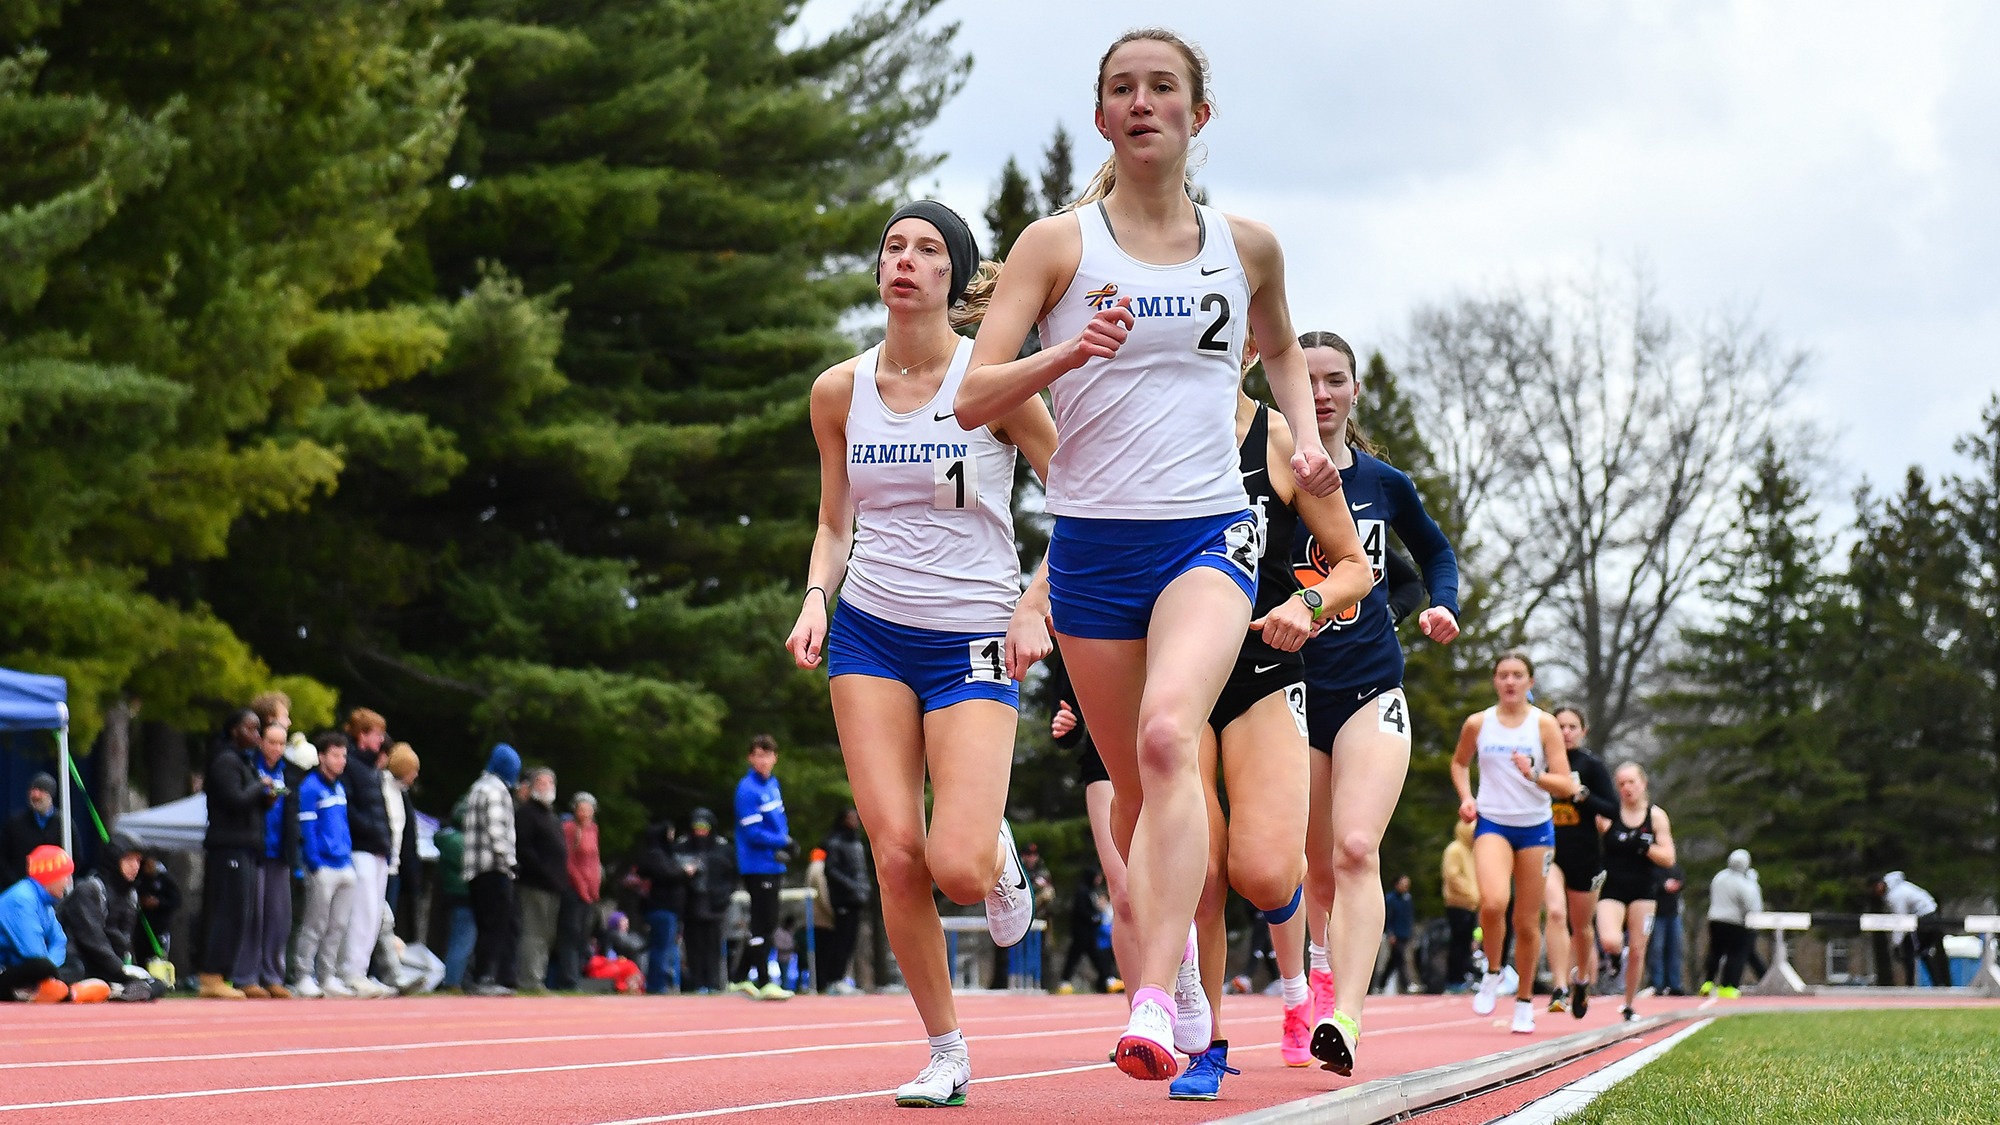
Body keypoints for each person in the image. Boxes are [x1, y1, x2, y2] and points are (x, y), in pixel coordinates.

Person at [956, 30, 1344, 1084]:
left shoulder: (1246, 245)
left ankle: (1149, 999)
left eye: (1159, 88)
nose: (1140, 103)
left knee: (1171, 735)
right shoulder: (1056, 247)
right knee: (1134, 787)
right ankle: (1176, 977)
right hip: (1090, 542)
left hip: (1205, 533)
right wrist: (1065, 350)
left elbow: (1275, 346)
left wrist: (1303, 437)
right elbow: (975, 395)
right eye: (1120, 89)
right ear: (1101, 117)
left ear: (1195, 117)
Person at [783, 200, 1056, 1104]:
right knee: (894, 851)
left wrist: (1036, 599)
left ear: (954, 275)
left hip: (973, 633)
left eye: (928, 249)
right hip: (869, 628)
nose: (906, 258)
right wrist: (817, 597)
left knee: (956, 865)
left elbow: (1085, 497)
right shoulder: (837, 390)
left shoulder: (995, 381)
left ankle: (997, 856)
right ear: (879, 270)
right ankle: (946, 1048)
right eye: (893, 245)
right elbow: (833, 522)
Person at [1175, 340, 1374, 1098]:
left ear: (1250, 346)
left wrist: (1307, 602)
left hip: (1262, 669)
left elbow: (1353, 563)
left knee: (1262, 869)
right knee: (1198, 867)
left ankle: (1304, 978)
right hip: (1181, 670)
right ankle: (1206, 1040)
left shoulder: (1281, 438)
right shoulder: (1149, 431)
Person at [1283, 330, 1461, 1078]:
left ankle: (1345, 1017)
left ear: (1354, 391)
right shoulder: (1267, 472)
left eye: (1334, 379)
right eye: (1307, 378)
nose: (1320, 392)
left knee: (1357, 848)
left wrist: (1440, 605)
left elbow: (1438, 553)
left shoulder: (1386, 483)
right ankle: (1319, 970)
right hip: (1288, 693)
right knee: (1312, 867)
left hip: (1369, 688)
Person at [1452, 653, 1576, 1035]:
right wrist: (1466, 796)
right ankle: (1493, 970)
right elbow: (1459, 763)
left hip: (1535, 828)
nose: (1510, 682)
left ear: (1530, 682)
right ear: (1495, 681)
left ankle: (1524, 1000)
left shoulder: (1544, 725)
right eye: (1503, 675)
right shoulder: (1479, 723)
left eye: (1517, 675)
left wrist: (1534, 773)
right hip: (1492, 822)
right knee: (1491, 903)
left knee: (1526, 920)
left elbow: (1567, 784)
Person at [1542, 705, 1617, 1019]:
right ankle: (1559, 987)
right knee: (1556, 913)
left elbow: (1612, 809)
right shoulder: (1543, 763)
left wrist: (1582, 795)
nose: (1565, 732)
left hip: (1584, 854)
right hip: (1548, 850)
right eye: (1559, 726)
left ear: (1582, 731)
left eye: (1572, 726)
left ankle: (1582, 980)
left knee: (1582, 927)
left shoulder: (1591, 765)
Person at [1596, 762, 1675, 1022]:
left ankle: (1629, 1003)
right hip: (1614, 888)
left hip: (1644, 890)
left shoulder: (1656, 816)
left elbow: (1668, 858)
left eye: (1631, 782)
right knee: (1610, 939)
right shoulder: (1609, 813)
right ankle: (1615, 956)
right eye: (1621, 783)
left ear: (1643, 784)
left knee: (1639, 949)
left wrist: (1646, 847)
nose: (1626, 788)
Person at [198, 708, 268, 1000]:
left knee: (242, 913)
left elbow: (250, 802)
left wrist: (267, 797)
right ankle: (212, 975)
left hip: (245, 844)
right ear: (234, 730)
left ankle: (227, 973)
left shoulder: (244, 762)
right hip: (229, 846)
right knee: (228, 911)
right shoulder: (225, 760)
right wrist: (259, 786)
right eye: (250, 729)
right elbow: (234, 799)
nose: (257, 735)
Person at [720, 735, 792, 1001]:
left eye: (768, 755)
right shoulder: (747, 789)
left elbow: (777, 822)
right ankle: (763, 980)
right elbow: (752, 832)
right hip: (756, 864)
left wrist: (784, 846)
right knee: (764, 922)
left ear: (775, 757)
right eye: (758, 755)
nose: (763, 760)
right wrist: (782, 841)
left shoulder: (772, 784)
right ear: (750, 758)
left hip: (772, 863)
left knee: (767, 921)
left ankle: (739, 977)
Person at [235, 721, 302, 998]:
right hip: (254, 849)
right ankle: (246, 975)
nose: (276, 748)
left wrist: (295, 858)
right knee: (254, 915)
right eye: (272, 741)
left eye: (281, 743)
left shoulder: (290, 772)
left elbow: (294, 817)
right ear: (262, 741)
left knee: (278, 917)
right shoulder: (250, 766)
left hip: (280, 852)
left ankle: (273, 975)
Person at [57, 833, 160, 1000]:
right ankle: (101, 988)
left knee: (157, 984)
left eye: (138, 861)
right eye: (129, 860)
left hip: (109, 964)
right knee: (77, 971)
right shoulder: (90, 889)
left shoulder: (131, 895)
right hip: (80, 960)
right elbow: (92, 941)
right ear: (114, 860)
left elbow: (125, 939)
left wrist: (131, 968)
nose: (135, 866)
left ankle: (114, 990)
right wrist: (121, 971)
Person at [292, 733, 356, 998]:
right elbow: (307, 828)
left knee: (338, 924)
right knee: (315, 923)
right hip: (323, 866)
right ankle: (303, 974)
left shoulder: (339, 788)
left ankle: (328, 975)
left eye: (343, 755)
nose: (341, 761)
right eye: (335, 755)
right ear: (321, 757)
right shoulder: (310, 788)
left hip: (344, 863)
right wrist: (314, 861)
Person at [338, 708, 395, 998]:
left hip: (377, 849)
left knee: (373, 914)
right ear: (362, 735)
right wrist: (371, 832)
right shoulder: (351, 765)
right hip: (361, 847)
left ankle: (361, 969)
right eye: (376, 734)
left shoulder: (372, 769)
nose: (381, 740)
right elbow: (350, 808)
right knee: (361, 912)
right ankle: (350, 971)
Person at [463, 743, 521, 996]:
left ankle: (474, 975)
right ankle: (484, 976)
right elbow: (497, 831)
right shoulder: (497, 791)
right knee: (496, 925)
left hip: (474, 867)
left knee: (483, 923)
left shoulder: (477, 788)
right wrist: (510, 860)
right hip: (494, 867)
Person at [1, 846, 86, 1002]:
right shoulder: (22, 899)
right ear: (51, 877)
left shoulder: (46, 903)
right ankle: (61, 991)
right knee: (41, 966)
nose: (68, 883)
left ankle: (52, 988)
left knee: (76, 964)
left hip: (22, 967)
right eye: (65, 876)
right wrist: (51, 972)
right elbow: (33, 952)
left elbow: (59, 940)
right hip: (4, 968)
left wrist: (52, 971)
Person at [513, 767, 567, 991]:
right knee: (532, 932)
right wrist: (543, 871)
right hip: (534, 883)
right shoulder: (527, 814)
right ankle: (529, 979)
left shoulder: (551, 817)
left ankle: (538, 976)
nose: (546, 788)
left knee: (546, 935)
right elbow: (524, 849)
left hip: (552, 886)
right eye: (542, 783)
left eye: (550, 783)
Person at [678, 809, 734, 994]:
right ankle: (696, 982)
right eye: (697, 827)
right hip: (691, 904)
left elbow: (732, 877)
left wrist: (723, 896)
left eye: (704, 827)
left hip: (715, 904)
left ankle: (713, 982)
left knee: (713, 944)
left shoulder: (723, 849)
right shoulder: (683, 846)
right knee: (693, 944)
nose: (700, 831)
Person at [554, 792, 602, 990]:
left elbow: (595, 860)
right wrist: (582, 887)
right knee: (570, 933)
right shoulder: (569, 829)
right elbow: (569, 861)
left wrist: (595, 886)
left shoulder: (593, 829)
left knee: (583, 934)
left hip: (590, 890)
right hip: (573, 889)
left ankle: (579, 973)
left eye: (588, 808)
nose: (585, 813)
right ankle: (568, 977)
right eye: (581, 808)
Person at [637, 819, 691, 994]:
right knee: (661, 947)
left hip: (668, 907)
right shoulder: (656, 855)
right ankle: (657, 984)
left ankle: (664, 982)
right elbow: (668, 874)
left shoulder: (663, 854)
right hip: (662, 906)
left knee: (666, 947)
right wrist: (685, 872)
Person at [820, 807, 870, 994]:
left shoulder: (856, 844)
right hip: (843, 899)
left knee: (850, 940)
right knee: (840, 940)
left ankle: (840, 978)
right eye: (850, 818)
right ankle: (834, 979)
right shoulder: (835, 843)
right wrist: (852, 887)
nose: (854, 821)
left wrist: (863, 889)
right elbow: (831, 871)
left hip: (857, 898)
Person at [1700, 848, 1762, 998]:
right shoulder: (1743, 882)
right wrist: (1753, 882)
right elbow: (1751, 904)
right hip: (1735, 922)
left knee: (1715, 952)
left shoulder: (1719, 877)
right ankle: (1728, 985)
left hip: (1715, 919)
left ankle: (1708, 982)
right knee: (1736, 954)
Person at [1876, 872, 1950, 987]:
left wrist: (1896, 943)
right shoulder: (1901, 887)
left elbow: (1901, 920)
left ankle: (1911, 984)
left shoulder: (1896, 895)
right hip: (1931, 915)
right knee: (1923, 951)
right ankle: (1938, 983)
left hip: (1924, 918)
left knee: (1908, 948)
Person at [384, 743, 423, 942]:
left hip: (396, 867)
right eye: (412, 770)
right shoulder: (386, 790)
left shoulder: (402, 795)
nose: (415, 775)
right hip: (385, 866)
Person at [1059, 867, 1119, 993]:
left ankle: (1108, 979)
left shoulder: (1091, 891)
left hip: (1089, 932)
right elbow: (1081, 911)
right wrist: (1094, 918)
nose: (1098, 880)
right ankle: (1064, 982)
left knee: (1095, 957)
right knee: (1075, 957)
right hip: (1081, 932)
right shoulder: (1082, 892)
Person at [434, 803, 474, 989]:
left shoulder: (449, 838)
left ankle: (456, 978)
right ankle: (453, 980)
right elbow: (470, 865)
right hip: (464, 895)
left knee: (460, 939)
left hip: (453, 895)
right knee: (462, 940)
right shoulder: (458, 841)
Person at [2, 773, 63, 888]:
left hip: (54, 890)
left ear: (50, 795)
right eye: (33, 790)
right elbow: (3, 856)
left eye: (41, 790)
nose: (35, 795)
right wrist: (13, 882)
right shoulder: (15, 824)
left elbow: (75, 855)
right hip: (19, 888)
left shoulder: (63, 824)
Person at [1440, 821, 1479, 992]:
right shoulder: (1455, 850)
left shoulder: (1470, 852)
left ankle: (1462, 976)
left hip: (1471, 905)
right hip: (1457, 903)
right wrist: (1471, 893)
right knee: (1458, 942)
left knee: (1465, 943)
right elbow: (1452, 876)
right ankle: (1453, 980)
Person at [1649, 861, 1687, 996]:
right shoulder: (1652, 867)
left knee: (1675, 949)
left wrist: (1678, 884)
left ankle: (1675, 984)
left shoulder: (1675, 867)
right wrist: (1663, 886)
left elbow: (1683, 880)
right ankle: (1657, 983)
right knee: (1656, 949)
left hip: (1673, 913)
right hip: (1657, 914)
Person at [134, 851, 180, 959]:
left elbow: (176, 900)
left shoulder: (165, 880)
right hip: (140, 926)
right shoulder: (139, 879)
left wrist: (158, 902)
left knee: (158, 957)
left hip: (159, 927)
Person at [1374, 876, 1416, 995]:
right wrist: (1390, 933)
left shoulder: (1408, 899)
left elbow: (1409, 917)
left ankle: (1381, 984)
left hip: (1405, 933)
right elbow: (1388, 917)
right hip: (1395, 934)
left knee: (1394, 961)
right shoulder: (1391, 899)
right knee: (1401, 959)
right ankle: (1407, 984)